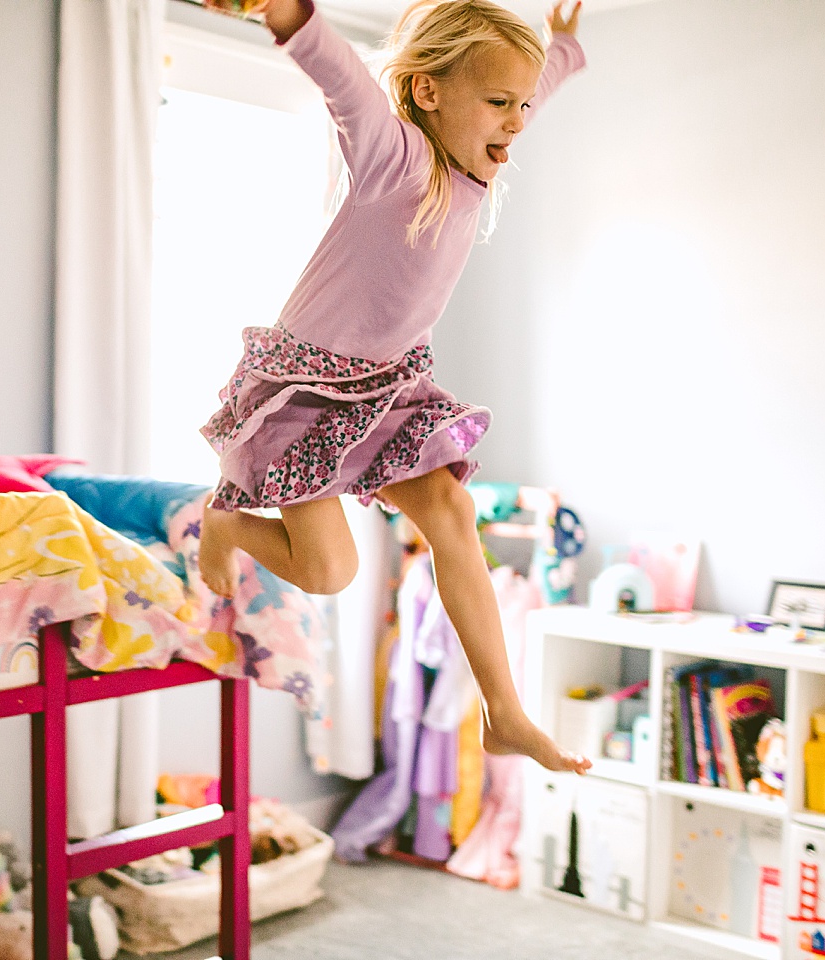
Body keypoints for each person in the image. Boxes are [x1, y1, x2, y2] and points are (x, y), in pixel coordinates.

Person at [198, 0, 592, 775]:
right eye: (497, 104)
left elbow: (534, 85)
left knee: (452, 510)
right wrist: (288, 15)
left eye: (518, 105)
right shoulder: (397, 160)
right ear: (431, 92)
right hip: (306, 394)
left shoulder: (476, 156)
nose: (516, 122)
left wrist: (566, 49)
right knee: (329, 572)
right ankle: (226, 520)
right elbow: (344, 82)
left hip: (389, 386)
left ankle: (504, 712)